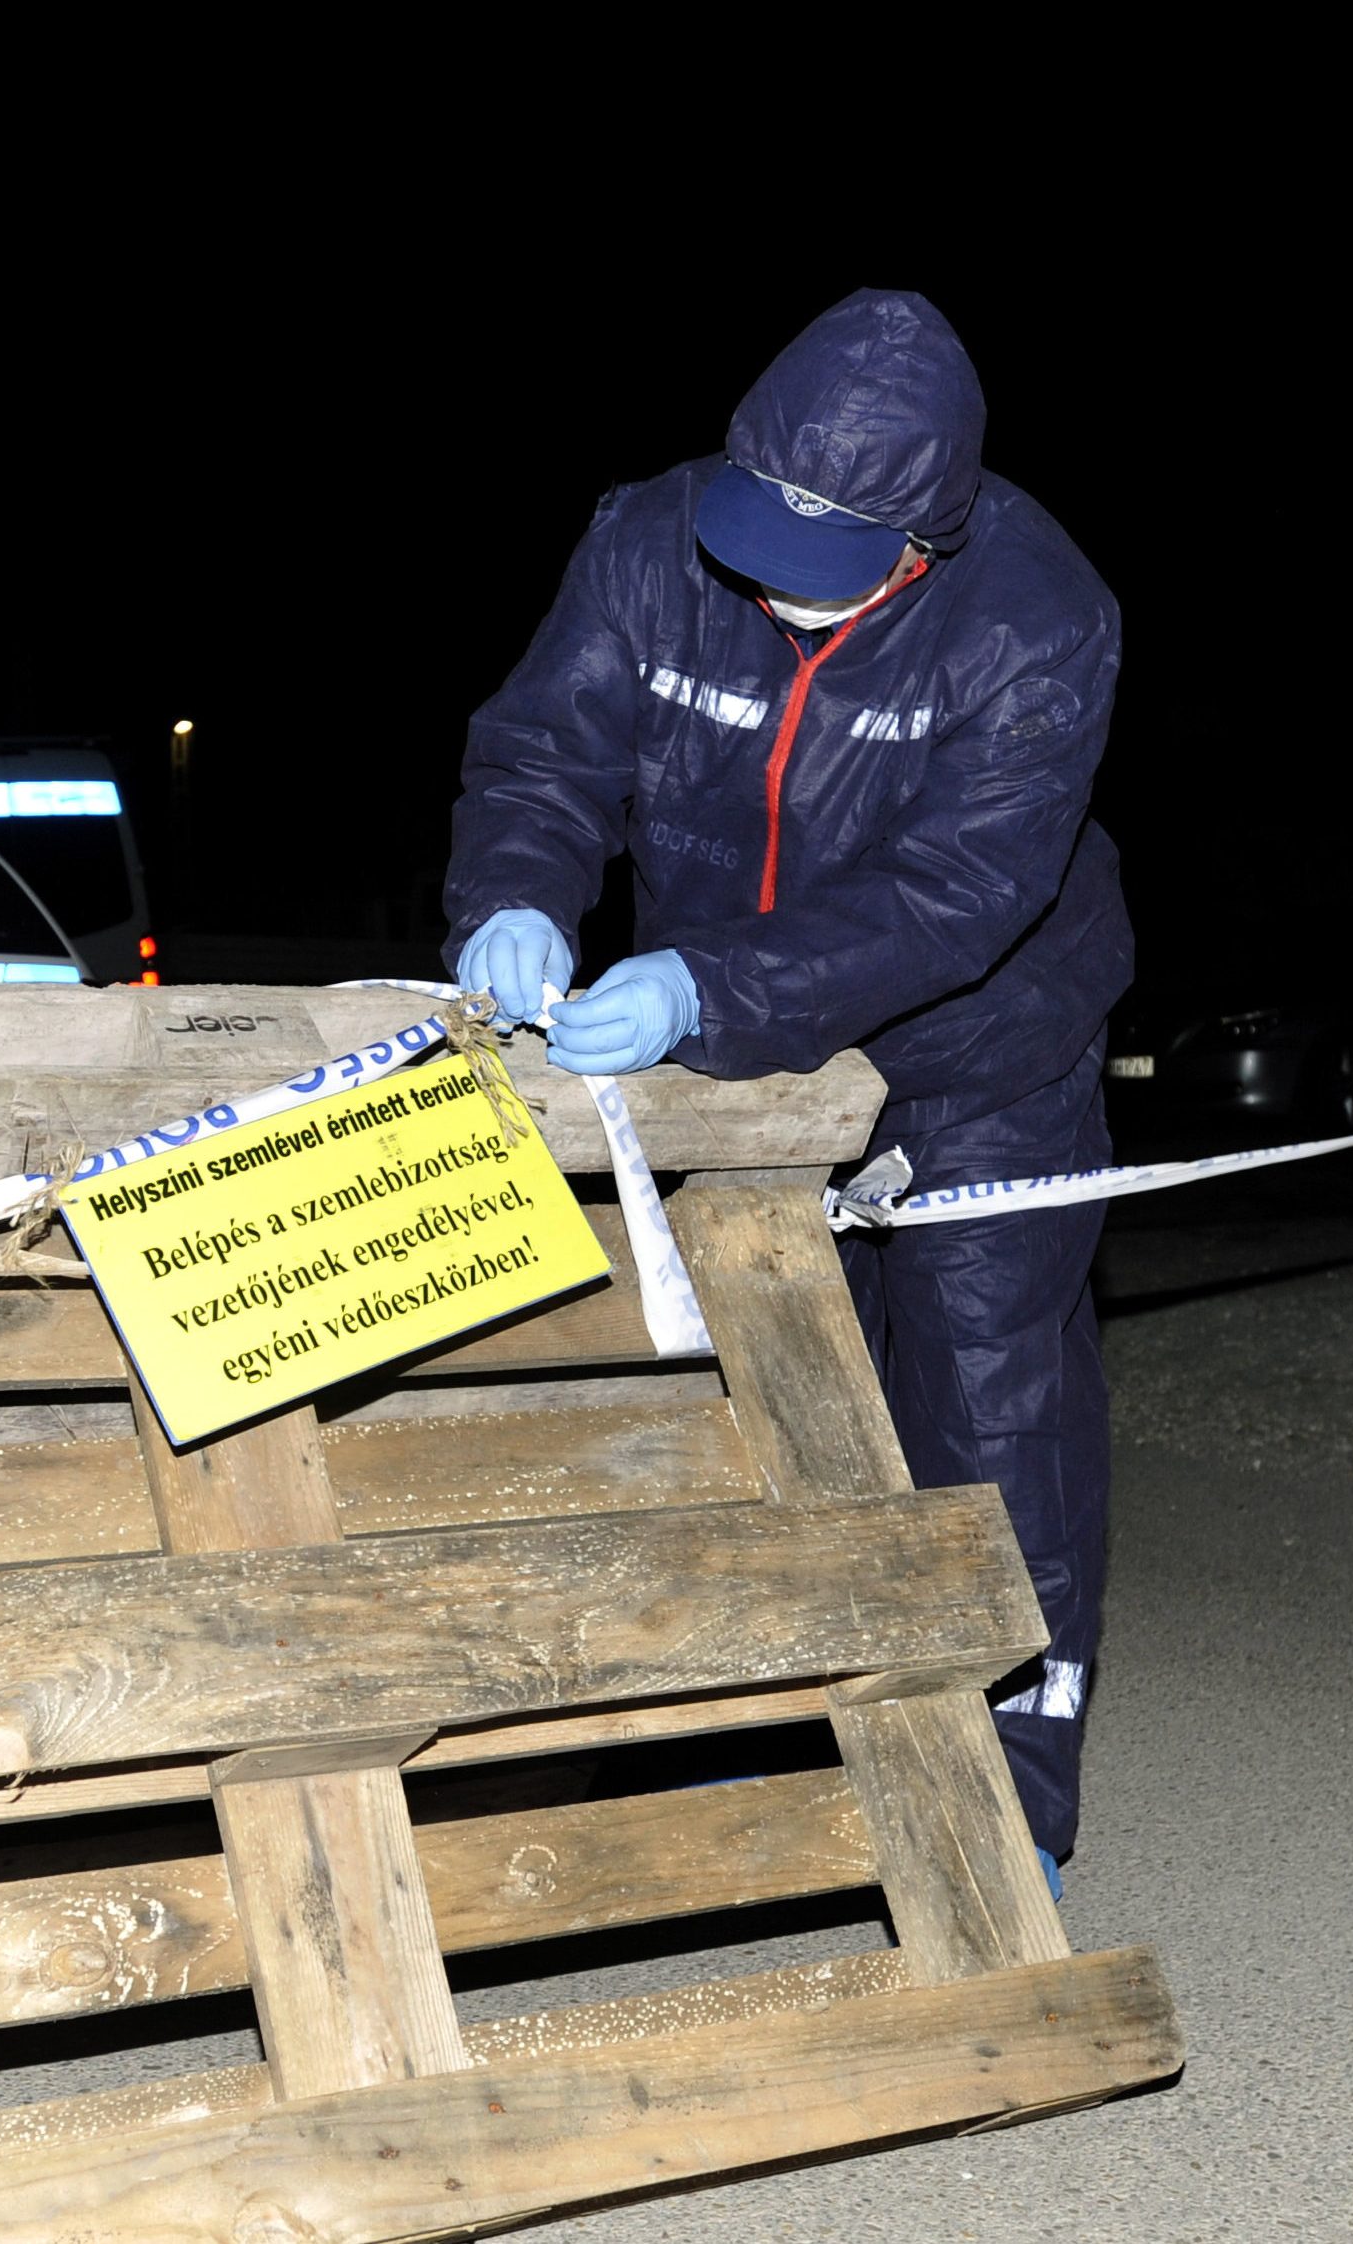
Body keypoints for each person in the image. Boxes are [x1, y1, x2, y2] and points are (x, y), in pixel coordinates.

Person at [445, 289, 1130, 1882]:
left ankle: (1002, 1809)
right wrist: (516, 904)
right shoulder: (648, 539)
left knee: (983, 1391)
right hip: (737, 1060)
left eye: (829, 579)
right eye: (756, 547)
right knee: (756, 1385)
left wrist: (711, 988)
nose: (776, 597)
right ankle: (779, 1773)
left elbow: (962, 890)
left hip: (977, 1044)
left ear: (927, 544)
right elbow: (543, 758)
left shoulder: (1042, 615)